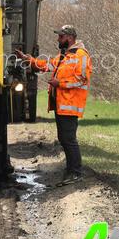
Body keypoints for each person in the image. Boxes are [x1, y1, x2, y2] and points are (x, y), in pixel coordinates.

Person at [16, 25, 92, 183]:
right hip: (61, 105)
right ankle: (71, 170)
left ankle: (76, 173)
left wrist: (60, 83)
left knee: (69, 139)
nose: (58, 39)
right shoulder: (64, 56)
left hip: (70, 105)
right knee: (64, 138)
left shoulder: (81, 55)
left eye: (61, 36)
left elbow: (82, 79)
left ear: (69, 38)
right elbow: (47, 65)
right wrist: (28, 60)